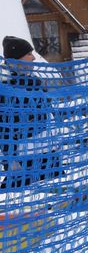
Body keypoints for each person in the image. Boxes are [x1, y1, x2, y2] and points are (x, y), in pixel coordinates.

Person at [0, 36, 52, 190]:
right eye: (29, 54)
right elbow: (3, 128)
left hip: (47, 153)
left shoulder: (34, 83)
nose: (34, 58)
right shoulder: (5, 89)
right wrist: (11, 159)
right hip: (23, 157)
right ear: (17, 60)